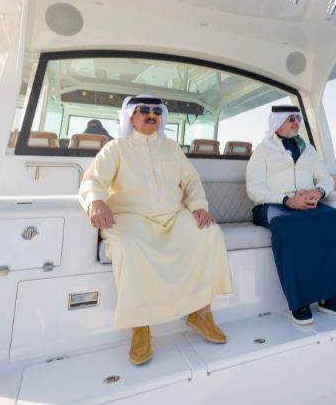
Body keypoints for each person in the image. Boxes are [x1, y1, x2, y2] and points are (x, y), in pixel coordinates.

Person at [79, 95, 233, 365]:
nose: (151, 115)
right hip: (131, 218)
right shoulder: (115, 148)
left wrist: (198, 205)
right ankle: (139, 325)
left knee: (209, 234)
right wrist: (96, 201)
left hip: (173, 217)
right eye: (144, 110)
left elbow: (192, 181)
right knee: (129, 246)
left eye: (156, 111)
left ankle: (201, 312)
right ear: (131, 116)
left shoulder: (172, 148)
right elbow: (93, 179)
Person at [246, 105, 336, 324]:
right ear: (277, 122)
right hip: (272, 204)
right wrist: (286, 199)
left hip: (307, 202)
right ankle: (299, 300)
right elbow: (254, 188)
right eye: (291, 118)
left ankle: (331, 297)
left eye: (298, 118)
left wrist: (318, 192)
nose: (296, 122)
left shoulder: (307, 149)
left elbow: (326, 178)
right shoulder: (263, 150)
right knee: (288, 228)